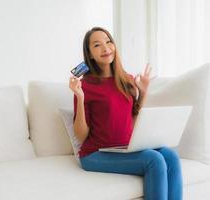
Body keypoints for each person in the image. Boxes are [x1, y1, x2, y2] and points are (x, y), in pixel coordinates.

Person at [69, 27, 182, 200]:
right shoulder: (85, 86)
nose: (106, 48)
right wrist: (80, 97)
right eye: (97, 45)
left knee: (171, 156)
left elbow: (132, 120)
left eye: (108, 42)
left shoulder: (126, 79)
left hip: (125, 148)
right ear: (90, 54)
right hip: (95, 154)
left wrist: (143, 93)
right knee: (154, 160)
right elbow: (81, 136)